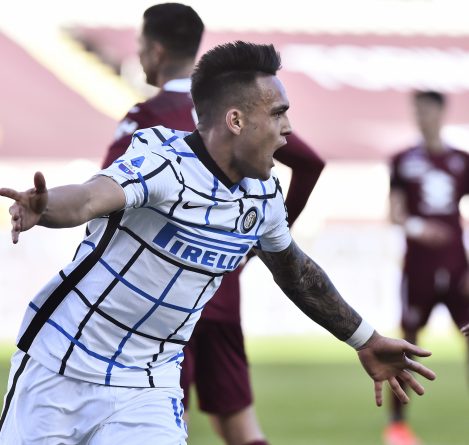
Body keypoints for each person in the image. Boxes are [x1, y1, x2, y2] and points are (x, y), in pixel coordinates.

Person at [0, 41, 435, 445]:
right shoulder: (162, 163)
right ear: (236, 120)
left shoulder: (263, 196)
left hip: (147, 385)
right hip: (61, 365)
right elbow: (90, 197)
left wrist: (365, 339)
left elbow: (296, 273)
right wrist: (45, 207)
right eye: (278, 113)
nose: (287, 129)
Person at [102, 4, 325, 445]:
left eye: (141, 46)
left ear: (156, 50)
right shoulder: (243, 108)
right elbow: (310, 163)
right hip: (222, 289)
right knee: (240, 426)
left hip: (163, 301)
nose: (139, 56)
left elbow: (108, 195)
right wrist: (257, 241)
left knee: (159, 422)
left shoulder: (146, 118)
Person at [386, 90, 469, 445]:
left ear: (440, 113)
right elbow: (394, 212)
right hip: (418, 267)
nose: (422, 117)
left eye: (427, 111)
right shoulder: (402, 160)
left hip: (458, 268)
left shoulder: (462, 161)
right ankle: (397, 425)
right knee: (407, 343)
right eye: (417, 111)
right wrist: (419, 228)